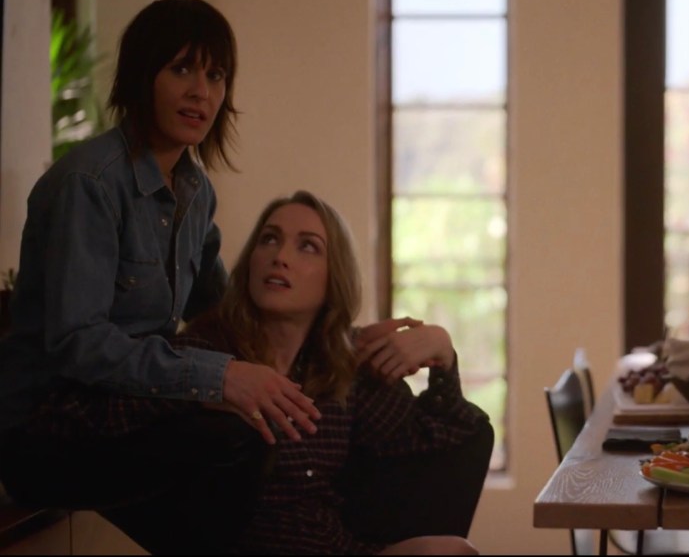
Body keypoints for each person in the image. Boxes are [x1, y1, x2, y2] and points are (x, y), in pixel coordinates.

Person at [0, 0, 435, 554]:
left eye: (215, 74)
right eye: (180, 69)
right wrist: (220, 377)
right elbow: (77, 345)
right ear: (141, 76)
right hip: (45, 430)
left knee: (262, 436)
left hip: (126, 415)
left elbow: (228, 309)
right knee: (234, 441)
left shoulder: (193, 190)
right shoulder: (90, 184)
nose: (200, 92)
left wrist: (341, 336)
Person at [47, 191, 488, 554]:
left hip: (337, 547)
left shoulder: (337, 367)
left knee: (452, 550)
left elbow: (450, 440)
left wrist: (443, 356)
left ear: (334, 279)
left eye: (307, 246)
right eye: (269, 240)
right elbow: (81, 419)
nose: (280, 257)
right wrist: (209, 388)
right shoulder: (203, 358)